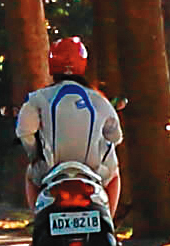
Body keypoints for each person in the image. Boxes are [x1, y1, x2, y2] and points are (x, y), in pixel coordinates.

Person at [15, 36, 122, 216]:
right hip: (93, 170)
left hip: (50, 169)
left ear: (51, 64)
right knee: (114, 175)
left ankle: (38, 218)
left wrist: (36, 154)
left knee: (30, 175)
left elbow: (25, 131)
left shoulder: (38, 98)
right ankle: (108, 220)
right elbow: (115, 136)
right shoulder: (99, 100)